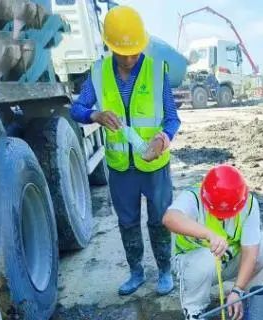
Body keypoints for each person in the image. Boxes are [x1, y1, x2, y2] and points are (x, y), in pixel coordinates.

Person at [70, 6, 181, 296]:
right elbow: (76, 109)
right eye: (122, 53)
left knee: (160, 220)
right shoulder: (98, 72)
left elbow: (172, 118)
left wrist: (163, 139)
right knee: (128, 222)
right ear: (110, 46)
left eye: (134, 52)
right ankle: (136, 273)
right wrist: (94, 115)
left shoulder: (156, 71)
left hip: (154, 166)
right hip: (120, 168)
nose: (129, 59)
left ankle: (165, 271)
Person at [162, 164, 263, 320]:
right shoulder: (193, 196)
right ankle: (194, 308)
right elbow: (169, 219)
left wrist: (237, 290)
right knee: (207, 258)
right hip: (193, 264)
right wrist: (208, 234)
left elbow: (250, 251)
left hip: (227, 260)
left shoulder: (248, 204)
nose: (223, 217)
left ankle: (249, 295)